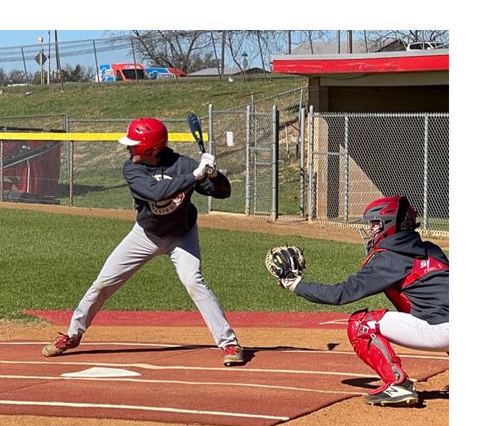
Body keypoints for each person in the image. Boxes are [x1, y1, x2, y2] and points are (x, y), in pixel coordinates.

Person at [42, 116, 247, 366]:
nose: (129, 148)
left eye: (133, 144)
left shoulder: (183, 165)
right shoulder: (132, 168)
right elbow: (155, 192)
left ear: (151, 148)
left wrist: (214, 175)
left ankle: (229, 343)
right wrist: (195, 175)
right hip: (145, 234)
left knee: (195, 282)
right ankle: (73, 334)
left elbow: (223, 192)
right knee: (103, 283)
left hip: (181, 235)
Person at [276, 196, 448, 407]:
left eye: (376, 224)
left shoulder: (390, 258)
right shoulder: (432, 250)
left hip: (441, 333)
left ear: (390, 225)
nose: (372, 230)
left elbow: (341, 294)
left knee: (360, 325)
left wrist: (295, 284)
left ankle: (398, 384)